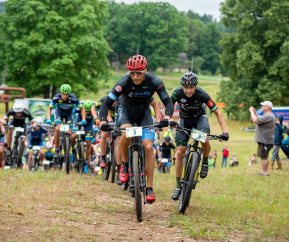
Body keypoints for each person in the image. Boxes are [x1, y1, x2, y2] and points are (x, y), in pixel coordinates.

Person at [98, 55, 175, 203]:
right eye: (132, 72)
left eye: (139, 72)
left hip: (144, 114)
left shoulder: (155, 81)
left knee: (148, 147)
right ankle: (125, 165)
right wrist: (102, 122)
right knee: (125, 133)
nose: (135, 76)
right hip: (126, 112)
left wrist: (167, 118)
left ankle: (150, 188)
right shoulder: (123, 83)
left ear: (145, 70)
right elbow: (105, 104)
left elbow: (167, 102)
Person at [169, 71, 229, 201]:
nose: (189, 91)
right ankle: (178, 186)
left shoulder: (202, 94)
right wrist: (168, 118)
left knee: (204, 138)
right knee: (180, 152)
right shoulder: (177, 93)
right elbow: (168, 105)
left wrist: (225, 131)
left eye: (191, 88)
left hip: (200, 119)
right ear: (182, 86)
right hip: (184, 120)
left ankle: (205, 161)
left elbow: (218, 112)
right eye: (186, 87)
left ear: (195, 86)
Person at [46, 84, 85, 161]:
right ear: (60, 93)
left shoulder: (73, 98)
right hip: (59, 113)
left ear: (69, 94)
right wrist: (48, 118)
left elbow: (82, 108)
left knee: (69, 133)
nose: (64, 96)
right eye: (63, 94)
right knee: (57, 129)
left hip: (69, 114)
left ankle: (67, 149)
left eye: (67, 94)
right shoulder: (56, 97)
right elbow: (49, 108)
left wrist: (83, 119)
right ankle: (56, 149)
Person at [4, 102, 35, 167]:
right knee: (10, 130)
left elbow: (33, 122)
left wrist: (33, 127)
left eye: (20, 113)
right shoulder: (11, 110)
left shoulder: (26, 112)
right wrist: (5, 123)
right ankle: (9, 149)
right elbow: (5, 118)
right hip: (13, 122)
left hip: (22, 125)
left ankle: (20, 156)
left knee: (23, 140)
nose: (18, 114)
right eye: (16, 113)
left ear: (22, 110)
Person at [250, 101, 275, 176]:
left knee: (263, 156)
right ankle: (265, 171)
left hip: (265, 140)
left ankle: (263, 172)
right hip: (266, 140)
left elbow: (255, 120)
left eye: (263, 105)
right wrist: (255, 113)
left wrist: (251, 112)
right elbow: (260, 117)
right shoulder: (269, 115)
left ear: (267, 107)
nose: (261, 106)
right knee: (265, 156)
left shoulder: (268, 115)